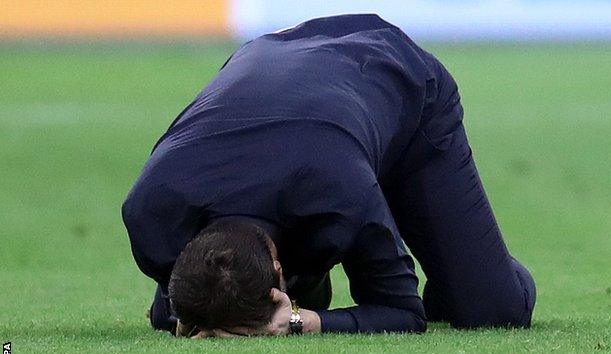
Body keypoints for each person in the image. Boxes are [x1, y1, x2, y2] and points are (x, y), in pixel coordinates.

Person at [122, 14, 536, 337]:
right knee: (171, 316)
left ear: (277, 272)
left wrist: (303, 320)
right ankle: (313, 273)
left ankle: (468, 266)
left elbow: (402, 312)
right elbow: (179, 310)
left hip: (397, 82)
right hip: (289, 77)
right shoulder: (150, 214)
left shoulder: (337, 192)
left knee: (492, 309)